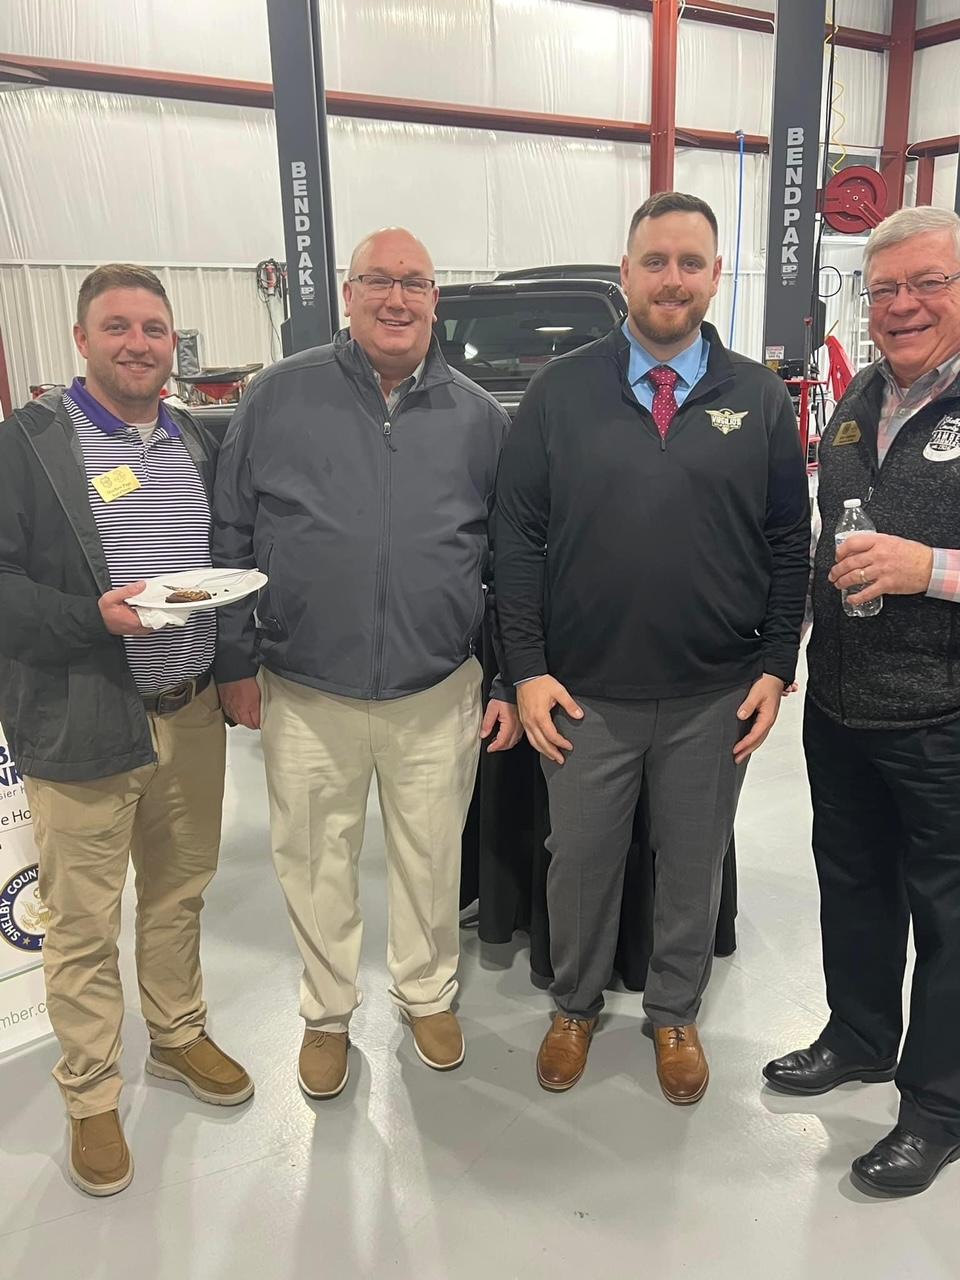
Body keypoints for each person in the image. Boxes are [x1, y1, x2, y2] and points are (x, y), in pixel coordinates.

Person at [494, 191, 809, 1100]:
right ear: (627, 272)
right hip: (584, 695)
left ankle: (675, 1013)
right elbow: (516, 539)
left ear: (715, 277)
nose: (674, 279)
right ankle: (574, 1006)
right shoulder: (559, 393)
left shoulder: (757, 396)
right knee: (579, 864)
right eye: (657, 261)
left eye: (691, 263)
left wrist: (775, 665)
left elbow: (790, 539)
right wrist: (528, 671)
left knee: (692, 865)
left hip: (715, 695)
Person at [212, 228, 520, 1098]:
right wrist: (235, 658)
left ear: (435, 300)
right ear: (347, 295)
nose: (396, 298)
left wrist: (503, 675)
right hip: (307, 685)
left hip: (437, 686)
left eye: (414, 283)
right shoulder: (277, 397)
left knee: (432, 856)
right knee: (313, 859)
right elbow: (230, 532)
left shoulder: (479, 419)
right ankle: (327, 1013)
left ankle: (427, 994)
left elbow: (507, 563)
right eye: (378, 281)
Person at [0, 265, 252, 1199]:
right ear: (81, 339)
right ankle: (91, 1093)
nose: (138, 344)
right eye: (117, 327)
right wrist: (91, 619)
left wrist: (233, 668)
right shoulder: (27, 446)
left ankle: (177, 1035)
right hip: (85, 718)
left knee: (179, 893)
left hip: (189, 712)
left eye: (153, 328)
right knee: (82, 922)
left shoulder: (193, 439)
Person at [764, 206, 960, 1197]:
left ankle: (939, 1106)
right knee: (852, 880)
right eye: (885, 289)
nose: (903, 305)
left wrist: (930, 568)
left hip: (943, 717)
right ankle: (860, 1034)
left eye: (928, 283)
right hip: (843, 703)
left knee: (950, 916)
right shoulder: (857, 397)